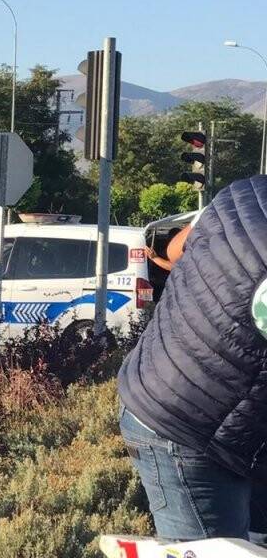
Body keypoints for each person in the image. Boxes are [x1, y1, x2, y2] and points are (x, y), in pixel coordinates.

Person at [118, 177, 267, 542]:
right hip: (184, 426)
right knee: (215, 549)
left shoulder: (248, 192)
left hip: (218, 410)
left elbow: (175, 249)